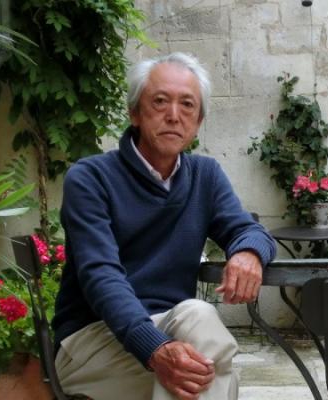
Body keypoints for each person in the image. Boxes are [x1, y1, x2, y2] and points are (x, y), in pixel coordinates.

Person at [52, 52, 276, 400]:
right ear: (135, 113)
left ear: (198, 121)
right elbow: (100, 274)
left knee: (197, 337)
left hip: (178, 331)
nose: (174, 115)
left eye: (187, 104)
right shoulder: (91, 178)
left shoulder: (205, 176)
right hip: (90, 341)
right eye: (160, 101)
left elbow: (247, 230)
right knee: (212, 364)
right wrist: (154, 349)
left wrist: (249, 252)